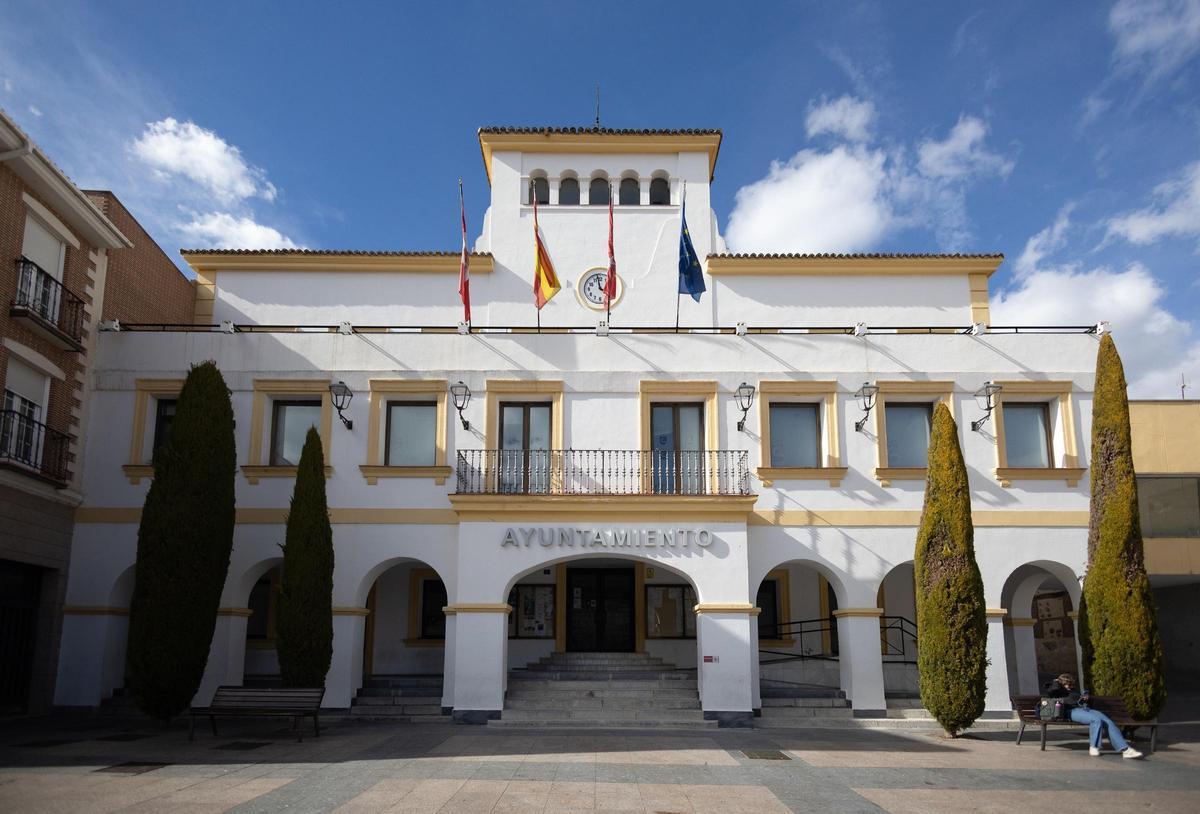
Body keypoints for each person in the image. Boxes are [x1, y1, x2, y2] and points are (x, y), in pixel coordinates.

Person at [1046, 673, 1143, 759]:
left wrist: (1085, 698)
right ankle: (1094, 746)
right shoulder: (1058, 690)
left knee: (1108, 722)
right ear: (1062, 683)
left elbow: (1082, 700)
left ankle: (1125, 749)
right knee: (1095, 720)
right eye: (1068, 684)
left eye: (1071, 684)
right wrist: (1056, 681)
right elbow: (1051, 691)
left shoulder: (1074, 691)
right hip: (1070, 711)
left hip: (1086, 709)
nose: (1070, 686)